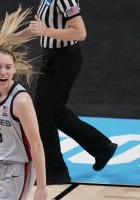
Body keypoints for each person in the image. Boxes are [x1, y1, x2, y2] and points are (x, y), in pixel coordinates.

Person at [10, 0, 118, 185]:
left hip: (65, 59)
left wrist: (46, 31)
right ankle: (101, 147)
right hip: (52, 57)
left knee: (43, 115)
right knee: (55, 113)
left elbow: (80, 32)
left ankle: (56, 172)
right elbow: (38, 28)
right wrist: (12, 38)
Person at [0, 7, 47, 200]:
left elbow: (36, 143)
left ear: (15, 69)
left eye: (8, 67)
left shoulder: (21, 100)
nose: (3, 72)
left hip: (16, 168)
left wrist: (41, 188)